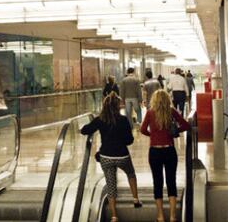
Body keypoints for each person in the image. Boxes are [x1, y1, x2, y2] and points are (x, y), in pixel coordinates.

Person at [81, 92, 142, 222]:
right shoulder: (124, 120)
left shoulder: (100, 119)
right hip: (121, 156)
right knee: (131, 173)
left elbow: (85, 130)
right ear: (117, 106)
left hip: (106, 156)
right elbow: (129, 140)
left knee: (111, 184)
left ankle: (114, 216)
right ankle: (135, 199)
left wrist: (84, 126)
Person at [141, 90, 190, 222]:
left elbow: (142, 129)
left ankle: (160, 216)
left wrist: (153, 135)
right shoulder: (171, 111)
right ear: (167, 99)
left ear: (154, 100)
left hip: (155, 152)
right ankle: (173, 216)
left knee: (157, 183)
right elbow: (186, 125)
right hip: (169, 151)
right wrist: (174, 132)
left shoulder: (150, 112)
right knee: (171, 182)